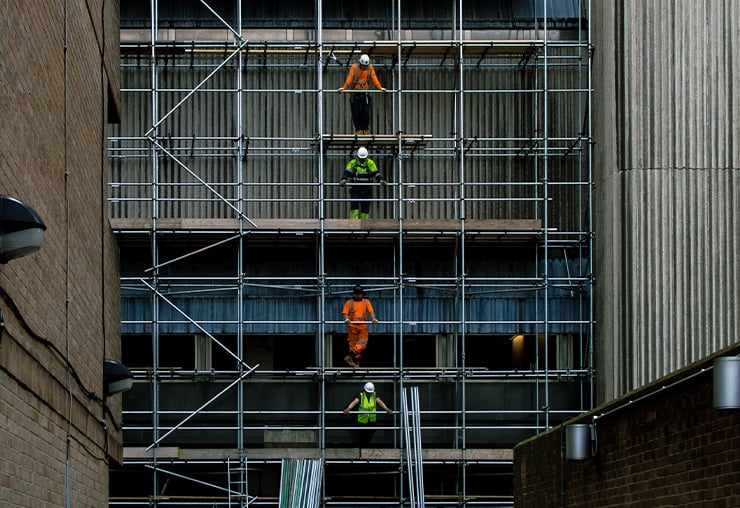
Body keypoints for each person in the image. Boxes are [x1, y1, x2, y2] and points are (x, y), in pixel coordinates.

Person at [337, 53, 387, 135]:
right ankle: (358, 130)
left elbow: (374, 78)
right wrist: (344, 88)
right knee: (356, 112)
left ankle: (365, 129)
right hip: (355, 92)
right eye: (363, 65)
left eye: (365, 66)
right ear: (360, 63)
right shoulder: (354, 67)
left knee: (366, 111)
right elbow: (349, 78)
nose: (364, 67)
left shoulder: (370, 68)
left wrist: (380, 88)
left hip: (364, 92)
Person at [340, 147, 386, 220]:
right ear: (358, 156)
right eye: (361, 158)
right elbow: (347, 172)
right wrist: (343, 179)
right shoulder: (353, 163)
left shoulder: (370, 163)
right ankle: (354, 222)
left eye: (363, 158)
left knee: (365, 205)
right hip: (355, 188)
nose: (362, 159)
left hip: (366, 188)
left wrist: (380, 180)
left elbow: (376, 173)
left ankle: (364, 223)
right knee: (354, 205)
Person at [343, 381, 392, 446]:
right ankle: (363, 447)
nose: (369, 393)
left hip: (372, 420)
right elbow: (355, 402)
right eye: (368, 392)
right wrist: (348, 408)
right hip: (362, 420)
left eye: (370, 392)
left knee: (370, 433)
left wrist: (387, 409)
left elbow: (380, 402)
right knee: (362, 435)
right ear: (365, 390)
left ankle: (365, 446)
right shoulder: (361, 395)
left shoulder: (374, 394)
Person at [341, 284, 378, 366]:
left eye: (359, 294)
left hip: (362, 327)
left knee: (362, 343)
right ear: (353, 294)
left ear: (362, 294)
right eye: (356, 294)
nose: (358, 296)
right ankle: (355, 362)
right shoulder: (349, 303)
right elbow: (345, 313)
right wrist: (346, 319)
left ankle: (350, 356)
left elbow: (371, 312)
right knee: (353, 345)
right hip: (352, 327)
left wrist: (373, 319)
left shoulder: (366, 302)